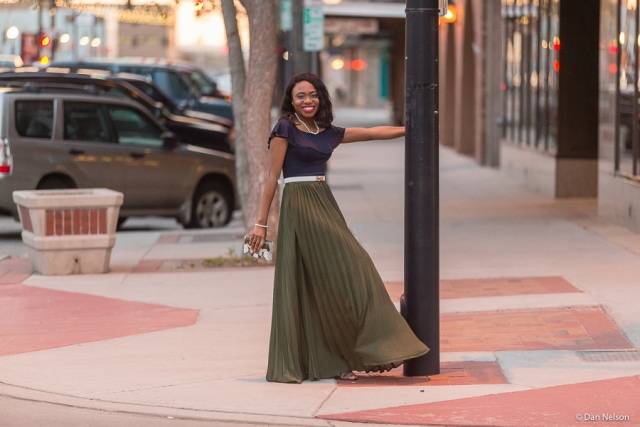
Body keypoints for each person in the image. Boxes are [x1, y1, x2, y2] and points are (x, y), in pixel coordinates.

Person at [248, 72, 429, 384]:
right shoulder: (285, 129)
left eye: (312, 95)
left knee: (356, 268)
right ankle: (333, 360)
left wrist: (411, 128)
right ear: (291, 100)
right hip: (300, 205)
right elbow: (271, 177)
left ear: (321, 98)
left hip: (324, 203)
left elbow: (372, 133)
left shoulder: (326, 132)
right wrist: (261, 224)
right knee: (319, 281)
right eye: (300, 96)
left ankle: (349, 353)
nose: (307, 101)